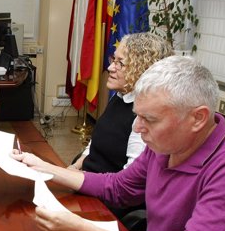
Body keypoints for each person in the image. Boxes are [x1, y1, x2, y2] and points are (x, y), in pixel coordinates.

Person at [12, 56, 225, 231]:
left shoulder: (224, 166)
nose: (137, 128)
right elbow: (119, 188)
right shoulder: (167, 142)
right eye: (138, 115)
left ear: (197, 118)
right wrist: (46, 168)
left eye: (149, 119)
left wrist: (84, 230)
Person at [71, 33, 171, 173]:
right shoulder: (120, 96)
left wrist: (80, 178)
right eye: (113, 59)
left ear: (142, 69)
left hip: (102, 190)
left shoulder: (144, 115)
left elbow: (129, 178)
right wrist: (73, 168)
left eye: (120, 63)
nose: (110, 67)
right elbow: (94, 146)